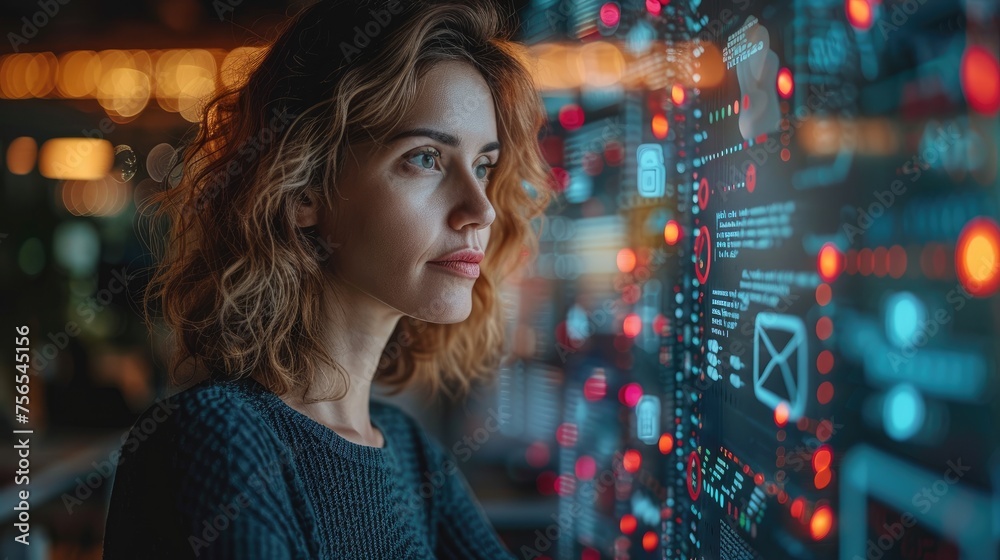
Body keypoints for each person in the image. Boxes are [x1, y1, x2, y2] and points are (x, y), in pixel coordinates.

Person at [101, 0, 554, 558]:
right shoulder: (221, 432)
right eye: (427, 159)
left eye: (483, 166)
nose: (480, 209)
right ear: (303, 189)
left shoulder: (411, 453)